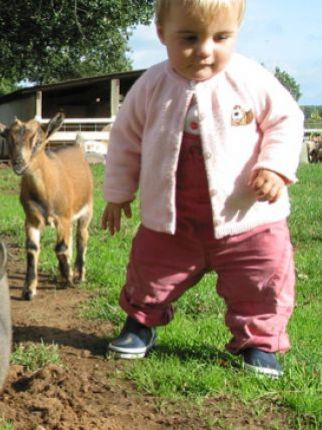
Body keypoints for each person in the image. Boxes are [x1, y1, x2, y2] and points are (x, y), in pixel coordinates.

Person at [101, 0, 304, 378]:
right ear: (162, 34)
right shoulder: (152, 85)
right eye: (189, 38)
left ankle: (258, 342)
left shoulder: (250, 78)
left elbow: (286, 121)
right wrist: (118, 192)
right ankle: (141, 324)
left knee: (261, 278)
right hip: (173, 219)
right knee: (150, 271)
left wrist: (273, 167)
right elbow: (125, 140)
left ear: (236, 33)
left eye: (221, 37)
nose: (206, 49)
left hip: (247, 216)